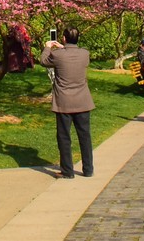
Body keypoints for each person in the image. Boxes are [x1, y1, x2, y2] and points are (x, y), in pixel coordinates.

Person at [40, 26, 95, 179]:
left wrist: (47, 47)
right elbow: (74, 55)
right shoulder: (85, 54)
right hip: (83, 101)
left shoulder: (57, 55)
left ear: (63, 38)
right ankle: (88, 169)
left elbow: (44, 61)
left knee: (64, 137)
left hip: (64, 102)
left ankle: (67, 171)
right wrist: (64, 47)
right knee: (85, 136)